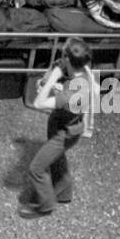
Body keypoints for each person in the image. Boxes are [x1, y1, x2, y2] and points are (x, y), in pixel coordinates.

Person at [21, 38, 96, 218]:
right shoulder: (84, 71)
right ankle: (64, 191)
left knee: (36, 168)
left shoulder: (72, 95)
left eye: (64, 57)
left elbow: (38, 103)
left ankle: (45, 205)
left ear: (70, 61)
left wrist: (53, 77)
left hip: (64, 133)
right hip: (66, 125)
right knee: (57, 157)